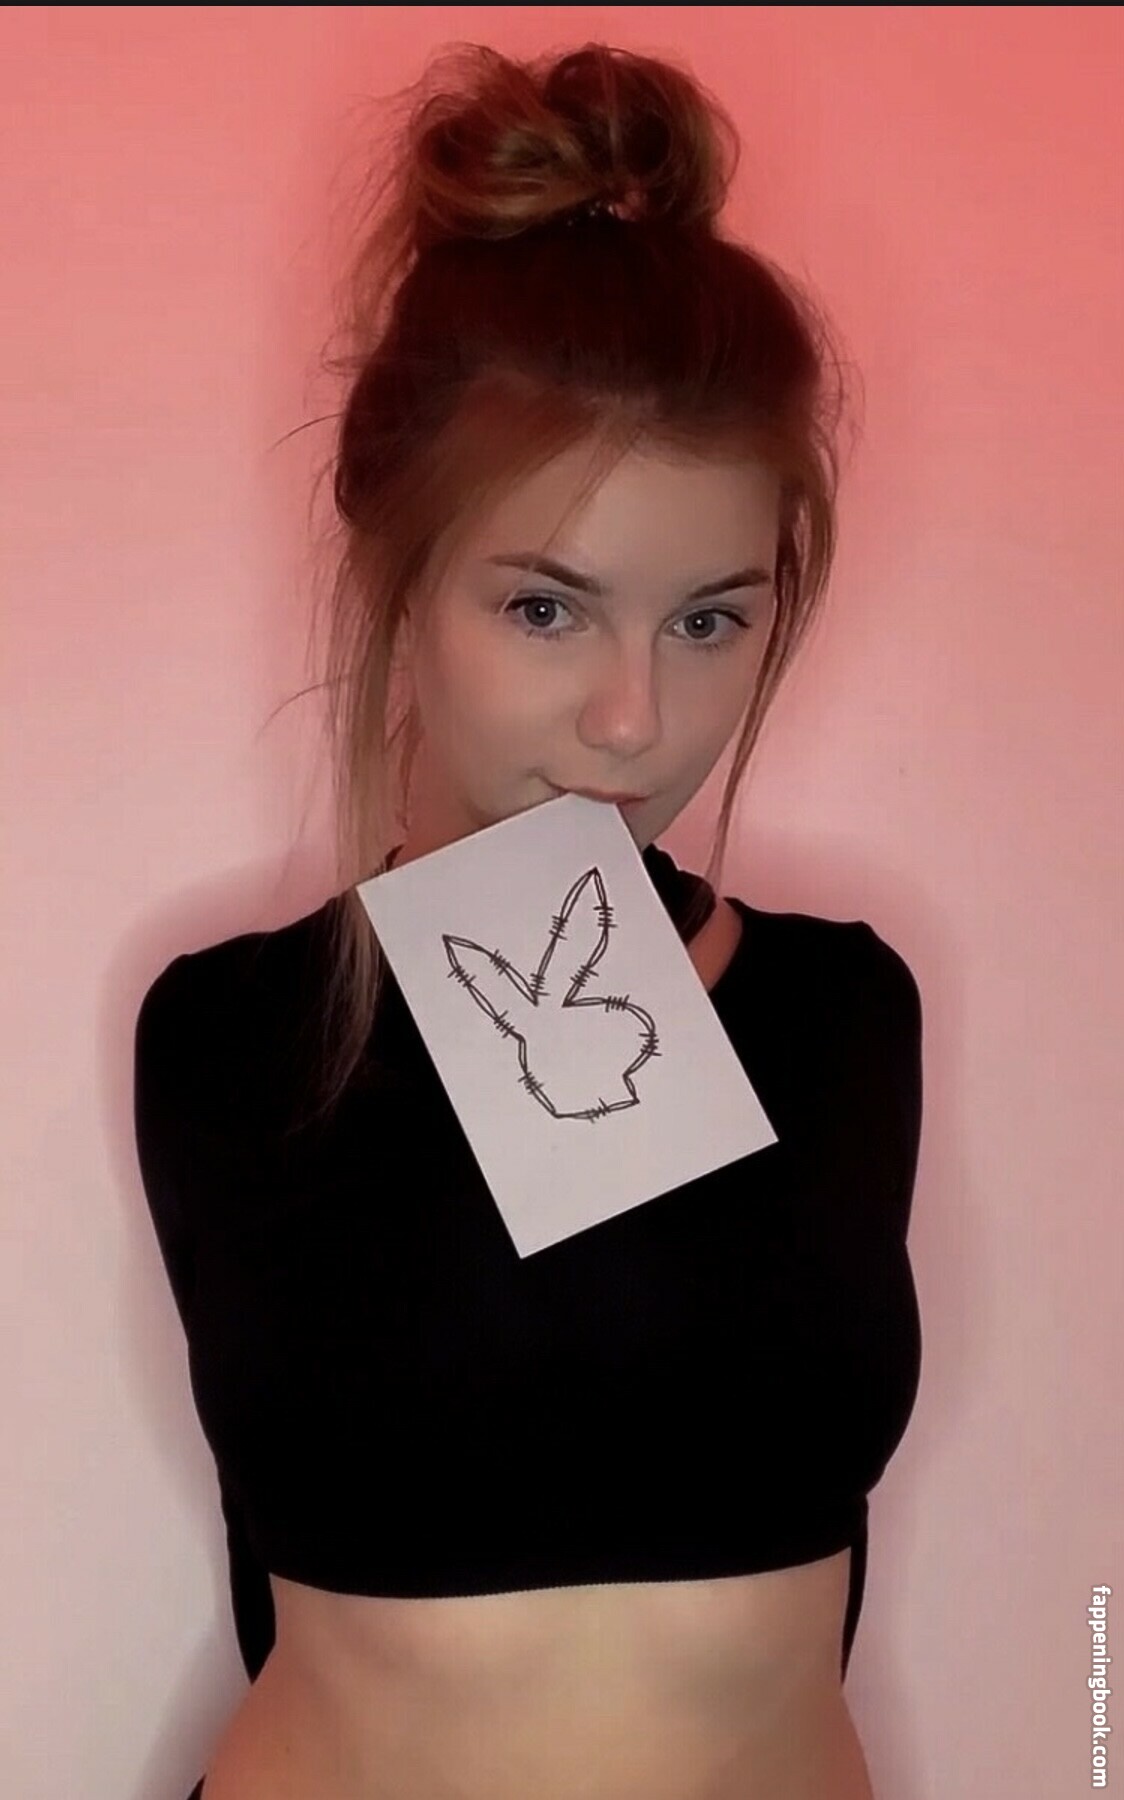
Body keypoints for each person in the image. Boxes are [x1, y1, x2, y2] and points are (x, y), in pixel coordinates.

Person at [134, 39, 924, 1800]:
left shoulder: (849, 1017)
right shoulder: (226, 1041)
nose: (636, 721)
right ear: (398, 570)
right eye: (548, 610)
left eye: (710, 620)